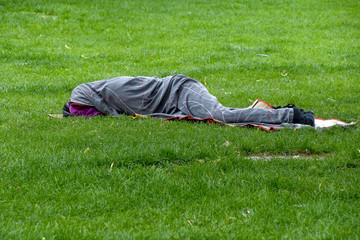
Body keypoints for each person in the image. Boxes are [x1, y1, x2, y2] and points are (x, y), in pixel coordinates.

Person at [63, 74, 314, 126]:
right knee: (221, 116)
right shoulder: (103, 91)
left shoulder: (109, 91)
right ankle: (278, 114)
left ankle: (291, 115)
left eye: (84, 113)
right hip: (177, 97)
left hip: (182, 89)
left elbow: (114, 115)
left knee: (221, 116)